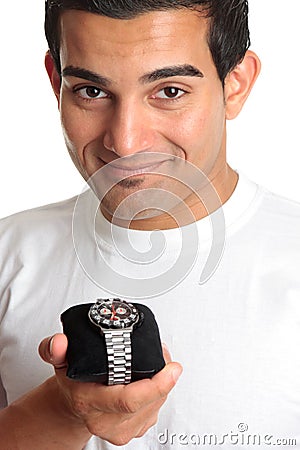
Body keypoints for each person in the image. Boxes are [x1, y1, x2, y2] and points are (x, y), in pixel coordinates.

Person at [0, 0, 299, 449]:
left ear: (235, 84)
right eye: (91, 91)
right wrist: (61, 413)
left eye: (170, 92)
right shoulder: (7, 253)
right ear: (55, 81)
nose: (125, 141)